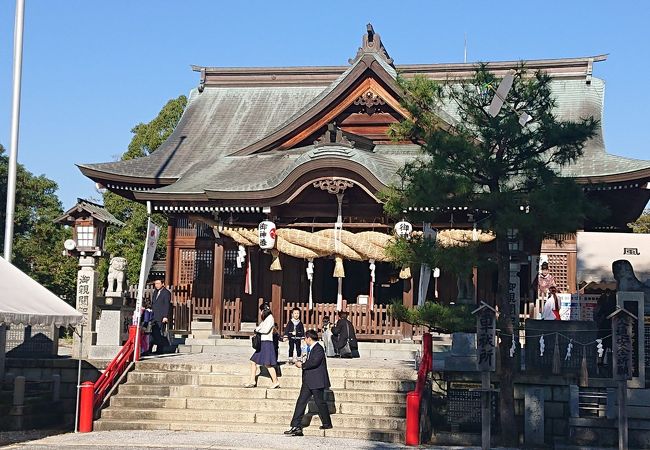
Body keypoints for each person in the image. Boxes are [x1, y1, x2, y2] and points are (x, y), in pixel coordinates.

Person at [284, 329, 333, 437]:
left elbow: (314, 362)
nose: (304, 340)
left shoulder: (318, 348)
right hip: (308, 381)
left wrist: (302, 365)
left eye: (305, 338)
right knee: (301, 402)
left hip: (316, 381)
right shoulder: (309, 348)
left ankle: (327, 423)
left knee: (320, 402)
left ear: (309, 339)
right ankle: (296, 426)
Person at [245, 304, 280, 389]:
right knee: (253, 361)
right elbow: (260, 327)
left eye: (261, 310)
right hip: (263, 343)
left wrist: (257, 330)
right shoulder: (266, 319)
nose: (261, 312)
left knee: (268, 364)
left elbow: (265, 330)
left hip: (267, 343)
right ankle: (252, 380)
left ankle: (275, 381)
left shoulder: (270, 318)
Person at [148, 278, 171, 354]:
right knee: (153, 333)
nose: (156, 285)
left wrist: (165, 316)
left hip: (161, 316)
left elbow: (166, 305)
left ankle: (160, 349)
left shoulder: (166, 293)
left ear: (162, 284)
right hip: (154, 315)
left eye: (158, 283)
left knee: (159, 333)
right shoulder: (155, 292)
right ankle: (149, 349)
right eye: (155, 284)